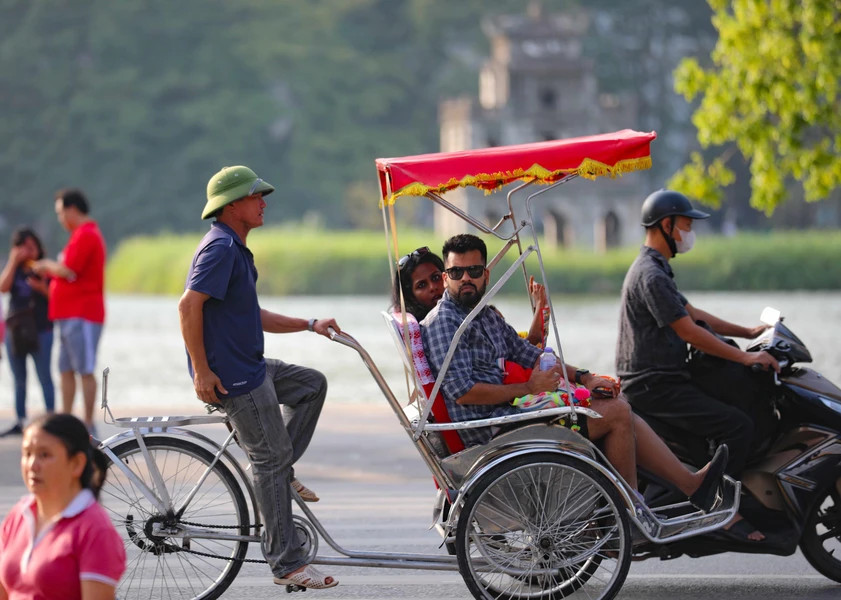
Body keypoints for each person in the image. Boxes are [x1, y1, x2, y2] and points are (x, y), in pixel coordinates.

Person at [421, 233, 727, 510]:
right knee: (616, 414)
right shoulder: (445, 323)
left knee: (620, 408)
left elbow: (532, 354)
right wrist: (529, 388)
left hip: (512, 416)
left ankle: (682, 488)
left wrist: (585, 377)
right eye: (456, 273)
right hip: (493, 434)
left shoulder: (485, 315)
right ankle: (629, 510)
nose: (466, 279)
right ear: (446, 277)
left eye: (473, 271)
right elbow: (463, 392)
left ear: (486, 274)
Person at [178, 165, 340, 590]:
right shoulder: (220, 249)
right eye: (255, 197)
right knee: (269, 460)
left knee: (311, 385)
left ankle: (282, 472)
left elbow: (255, 316)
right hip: (233, 378)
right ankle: (287, 563)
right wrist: (201, 371)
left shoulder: (234, 247)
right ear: (232, 206)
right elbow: (187, 307)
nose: (263, 202)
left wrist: (310, 323)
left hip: (251, 366)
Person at [615, 189, 779, 542]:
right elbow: (689, 331)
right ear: (667, 225)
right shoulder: (650, 275)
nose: (689, 233)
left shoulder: (656, 268)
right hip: (654, 387)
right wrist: (746, 356)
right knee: (737, 426)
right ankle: (724, 513)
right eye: (686, 225)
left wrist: (748, 331)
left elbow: (692, 314)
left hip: (666, 380)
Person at [0, 413, 126, 599]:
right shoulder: (19, 515)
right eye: (27, 454)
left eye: (44, 455)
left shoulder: (94, 530)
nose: (32, 465)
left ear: (76, 463)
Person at [31, 189, 106, 434]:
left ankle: (87, 423)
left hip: (82, 315)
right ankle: (66, 420)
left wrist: (46, 265)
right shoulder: (77, 236)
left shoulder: (87, 234)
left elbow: (67, 270)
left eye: (61, 212)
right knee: (65, 368)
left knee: (84, 368)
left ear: (73, 209)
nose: (60, 218)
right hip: (68, 315)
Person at [393, 245, 548, 345]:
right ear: (411, 295)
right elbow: (531, 345)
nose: (433, 287)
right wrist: (541, 305)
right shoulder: (438, 326)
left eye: (435, 278)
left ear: (446, 278)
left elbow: (523, 350)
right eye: (422, 285)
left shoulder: (478, 314)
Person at [0, 228, 56, 437]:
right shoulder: (14, 269)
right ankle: (20, 420)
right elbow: (3, 288)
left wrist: (41, 287)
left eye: (32, 247)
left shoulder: (45, 268)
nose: (29, 251)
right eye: (24, 247)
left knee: (45, 377)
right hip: (15, 330)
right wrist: (13, 262)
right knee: (19, 379)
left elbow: (56, 299)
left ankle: (51, 419)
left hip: (42, 329)